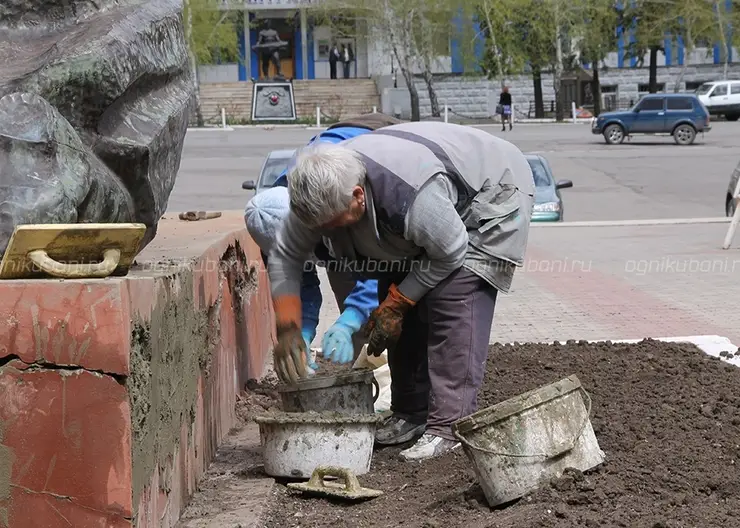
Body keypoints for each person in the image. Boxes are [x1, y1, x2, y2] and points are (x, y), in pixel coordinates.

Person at [266, 121, 534, 461]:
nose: (327, 233)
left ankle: (449, 427)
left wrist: (400, 300)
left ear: (358, 196)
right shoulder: (312, 202)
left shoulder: (407, 194)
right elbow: (285, 257)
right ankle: (410, 413)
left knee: (452, 298)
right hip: (419, 214)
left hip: (490, 191)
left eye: (334, 223)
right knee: (390, 307)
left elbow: (451, 250)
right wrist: (288, 327)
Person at [245, 112, 402, 381]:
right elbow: (300, 286)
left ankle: (397, 373)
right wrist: (301, 332)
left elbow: (376, 258)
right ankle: (365, 372)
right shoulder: (269, 226)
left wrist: (349, 320)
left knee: (382, 298)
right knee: (351, 301)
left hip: (382, 150)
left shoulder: (329, 195)